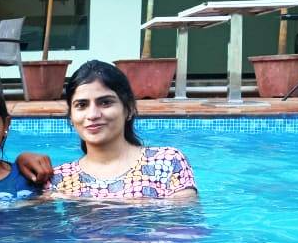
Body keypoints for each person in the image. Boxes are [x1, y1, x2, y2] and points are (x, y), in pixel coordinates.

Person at [47, 60, 198, 200]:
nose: (92, 115)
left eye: (105, 102)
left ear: (129, 109)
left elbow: (185, 216)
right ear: (71, 116)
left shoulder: (167, 162)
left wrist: (88, 203)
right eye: (81, 105)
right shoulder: (59, 180)